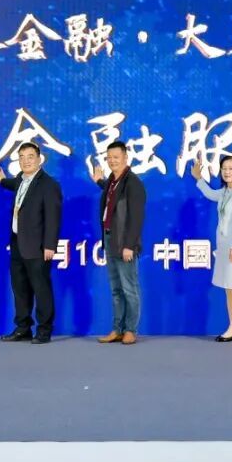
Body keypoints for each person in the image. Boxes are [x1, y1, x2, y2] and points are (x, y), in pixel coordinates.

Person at [0, 142, 63, 344]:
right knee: (20, 288)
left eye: (30, 156)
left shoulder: (49, 184)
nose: (25, 161)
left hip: (38, 246)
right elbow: (12, 184)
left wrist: (50, 246)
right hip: (17, 243)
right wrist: (2, 180)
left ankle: (44, 330)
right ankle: (23, 327)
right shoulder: (20, 180)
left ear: (39, 159)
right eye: (21, 157)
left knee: (41, 288)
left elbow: (53, 218)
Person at [90, 141, 146, 345]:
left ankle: (131, 330)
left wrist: (129, 245)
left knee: (129, 289)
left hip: (124, 243)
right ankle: (117, 329)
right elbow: (112, 198)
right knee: (116, 289)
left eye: (116, 157)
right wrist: (99, 181)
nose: (112, 160)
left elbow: (137, 218)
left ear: (125, 157)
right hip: (109, 239)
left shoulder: (133, 183)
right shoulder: (113, 182)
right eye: (109, 157)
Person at [191, 155, 232, 341]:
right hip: (224, 246)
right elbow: (210, 194)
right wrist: (199, 178)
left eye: (231, 169)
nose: (227, 172)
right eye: (224, 168)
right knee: (228, 287)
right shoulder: (226, 191)